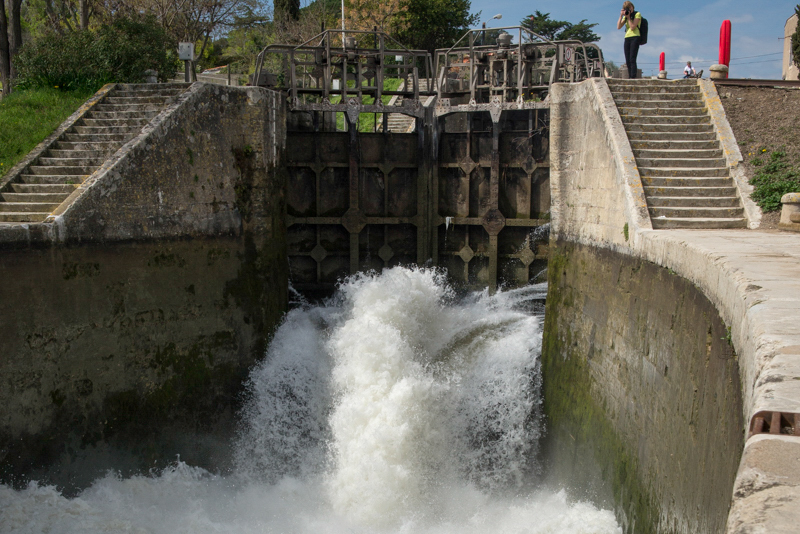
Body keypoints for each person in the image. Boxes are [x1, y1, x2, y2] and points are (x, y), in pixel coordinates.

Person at [617, 2, 641, 79]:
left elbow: (632, 27)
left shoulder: (637, 14)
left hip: (635, 37)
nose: (629, 9)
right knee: (627, 59)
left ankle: (633, 76)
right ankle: (630, 75)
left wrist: (629, 17)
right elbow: (619, 26)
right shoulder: (625, 16)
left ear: (632, 7)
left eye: (629, 7)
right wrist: (621, 16)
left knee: (632, 58)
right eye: (627, 8)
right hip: (627, 37)